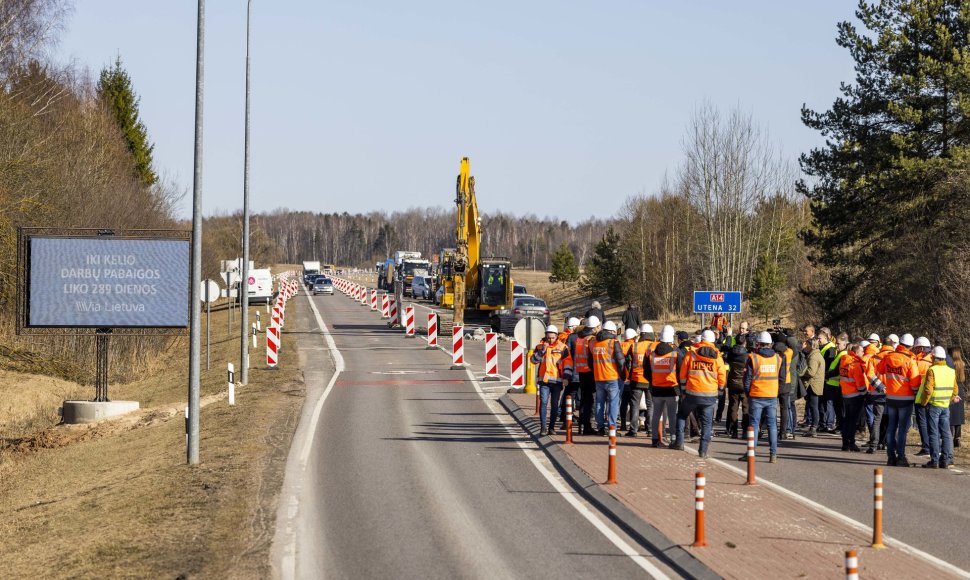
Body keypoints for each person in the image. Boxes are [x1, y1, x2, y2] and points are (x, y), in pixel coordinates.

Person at [673, 330, 727, 458]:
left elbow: (682, 374)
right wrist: (719, 391)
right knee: (707, 423)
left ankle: (679, 442)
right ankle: (703, 450)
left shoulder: (691, 354)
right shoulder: (717, 357)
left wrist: (684, 390)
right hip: (709, 395)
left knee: (682, 415)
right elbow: (722, 376)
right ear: (713, 341)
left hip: (692, 393)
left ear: (701, 339)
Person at [739, 332, 786, 463]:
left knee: (753, 426)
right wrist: (776, 391)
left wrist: (749, 393)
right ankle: (773, 455)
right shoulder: (778, 358)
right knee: (772, 426)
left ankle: (750, 454)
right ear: (770, 344)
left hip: (756, 395)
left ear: (758, 344)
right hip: (771, 395)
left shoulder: (753, 358)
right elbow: (782, 379)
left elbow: (747, 379)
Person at [877, 333, 921, 466]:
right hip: (906, 399)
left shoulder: (889, 357)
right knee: (902, 429)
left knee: (891, 427)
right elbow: (914, 383)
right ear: (911, 346)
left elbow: (879, 369)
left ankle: (891, 457)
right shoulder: (910, 360)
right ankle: (901, 457)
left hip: (890, 398)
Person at [916, 346, 959, 469]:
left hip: (933, 406)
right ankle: (946, 460)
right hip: (945, 406)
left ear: (934, 357)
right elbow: (955, 390)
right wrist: (948, 400)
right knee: (946, 433)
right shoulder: (951, 371)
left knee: (933, 433)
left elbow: (928, 389)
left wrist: (924, 403)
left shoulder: (932, 370)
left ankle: (934, 460)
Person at [646, 325, 683, 448]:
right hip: (672, 389)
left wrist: (653, 382)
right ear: (671, 339)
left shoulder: (651, 354)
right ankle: (673, 439)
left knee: (656, 414)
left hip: (656, 389)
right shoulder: (675, 354)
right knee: (672, 415)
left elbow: (646, 372)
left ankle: (655, 439)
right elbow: (680, 373)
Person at [531, 325, 573, 436]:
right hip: (544, 381)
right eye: (548, 337)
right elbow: (533, 360)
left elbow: (568, 364)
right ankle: (543, 427)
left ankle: (551, 427)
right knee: (544, 402)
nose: (550, 340)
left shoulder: (563, 347)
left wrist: (566, 377)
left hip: (557, 381)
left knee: (554, 405)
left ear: (557, 337)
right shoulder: (540, 347)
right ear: (545, 336)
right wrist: (542, 351)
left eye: (553, 338)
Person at [589, 320, 625, 435]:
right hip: (612, 377)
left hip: (598, 377)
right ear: (613, 331)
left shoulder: (595, 343)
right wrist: (623, 375)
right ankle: (612, 428)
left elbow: (590, 361)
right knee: (613, 403)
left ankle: (600, 428)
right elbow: (620, 362)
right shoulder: (613, 342)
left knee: (600, 402)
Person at [840, 344, 875, 452]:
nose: (863, 354)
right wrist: (865, 393)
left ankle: (845, 443)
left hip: (845, 394)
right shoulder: (855, 364)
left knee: (846, 419)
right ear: (856, 352)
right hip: (855, 396)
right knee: (853, 421)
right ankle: (851, 443)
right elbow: (860, 384)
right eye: (861, 352)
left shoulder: (844, 361)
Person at [570, 316, 599, 435]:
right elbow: (593, 356)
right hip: (589, 372)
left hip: (581, 371)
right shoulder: (591, 339)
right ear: (596, 327)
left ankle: (581, 424)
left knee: (583, 399)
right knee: (590, 400)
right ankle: (587, 426)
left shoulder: (579, 338)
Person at [625, 323, 655, 437]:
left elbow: (628, 363)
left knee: (635, 405)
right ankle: (650, 429)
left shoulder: (635, 346)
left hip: (636, 379)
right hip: (650, 380)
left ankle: (633, 430)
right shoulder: (655, 346)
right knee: (650, 405)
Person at [821, 331, 848, 433]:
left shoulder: (844, 354)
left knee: (840, 408)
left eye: (838, 344)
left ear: (845, 344)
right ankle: (839, 426)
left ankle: (841, 426)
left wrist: (825, 375)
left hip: (837, 385)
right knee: (837, 407)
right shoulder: (840, 353)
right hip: (833, 384)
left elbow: (837, 370)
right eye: (836, 343)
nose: (837, 345)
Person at [725, 332, 749, 438]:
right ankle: (744, 431)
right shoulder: (747, 355)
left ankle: (734, 431)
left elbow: (725, 357)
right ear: (744, 342)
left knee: (733, 406)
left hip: (732, 382)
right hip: (744, 383)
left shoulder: (731, 353)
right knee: (745, 407)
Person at [912, 336, 934, 456]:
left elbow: (914, 380)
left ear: (920, 348)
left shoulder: (919, 362)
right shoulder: (934, 359)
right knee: (932, 422)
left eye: (916, 349)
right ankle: (933, 445)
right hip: (934, 396)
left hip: (920, 396)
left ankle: (926, 446)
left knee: (922, 422)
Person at [557, 317, 581, 423]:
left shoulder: (563, 336)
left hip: (565, 368)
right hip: (570, 369)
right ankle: (565, 414)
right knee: (571, 393)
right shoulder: (570, 337)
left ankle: (564, 413)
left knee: (568, 392)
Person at [801, 337, 825, 436]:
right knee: (813, 406)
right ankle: (813, 427)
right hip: (815, 384)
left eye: (807, 344)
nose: (805, 346)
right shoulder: (815, 355)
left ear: (811, 345)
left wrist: (801, 372)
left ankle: (814, 427)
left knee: (814, 406)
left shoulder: (814, 357)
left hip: (813, 385)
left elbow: (811, 372)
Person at [774, 338, 795, 440]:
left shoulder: (774, 357)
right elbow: (794, 346)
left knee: (772, 408)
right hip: (786, 382)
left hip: (774, 383)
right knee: (784, 408)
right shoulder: (789, 353)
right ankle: (783, 432)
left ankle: (772, 429)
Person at [618, 328, 637, 432]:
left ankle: (623, 424)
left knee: (623, 403)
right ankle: (634, 426)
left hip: (622, 378)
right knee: (634, 403)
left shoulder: (620, 345)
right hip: (633, 378)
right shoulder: (634, 346)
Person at [950, 348, 965, 448]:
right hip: (961, 387)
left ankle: (950, 436)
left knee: (951, 414)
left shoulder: (951, 364)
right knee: (959, 414)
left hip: (952, 387)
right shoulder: (962, 363)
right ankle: (958, 437)